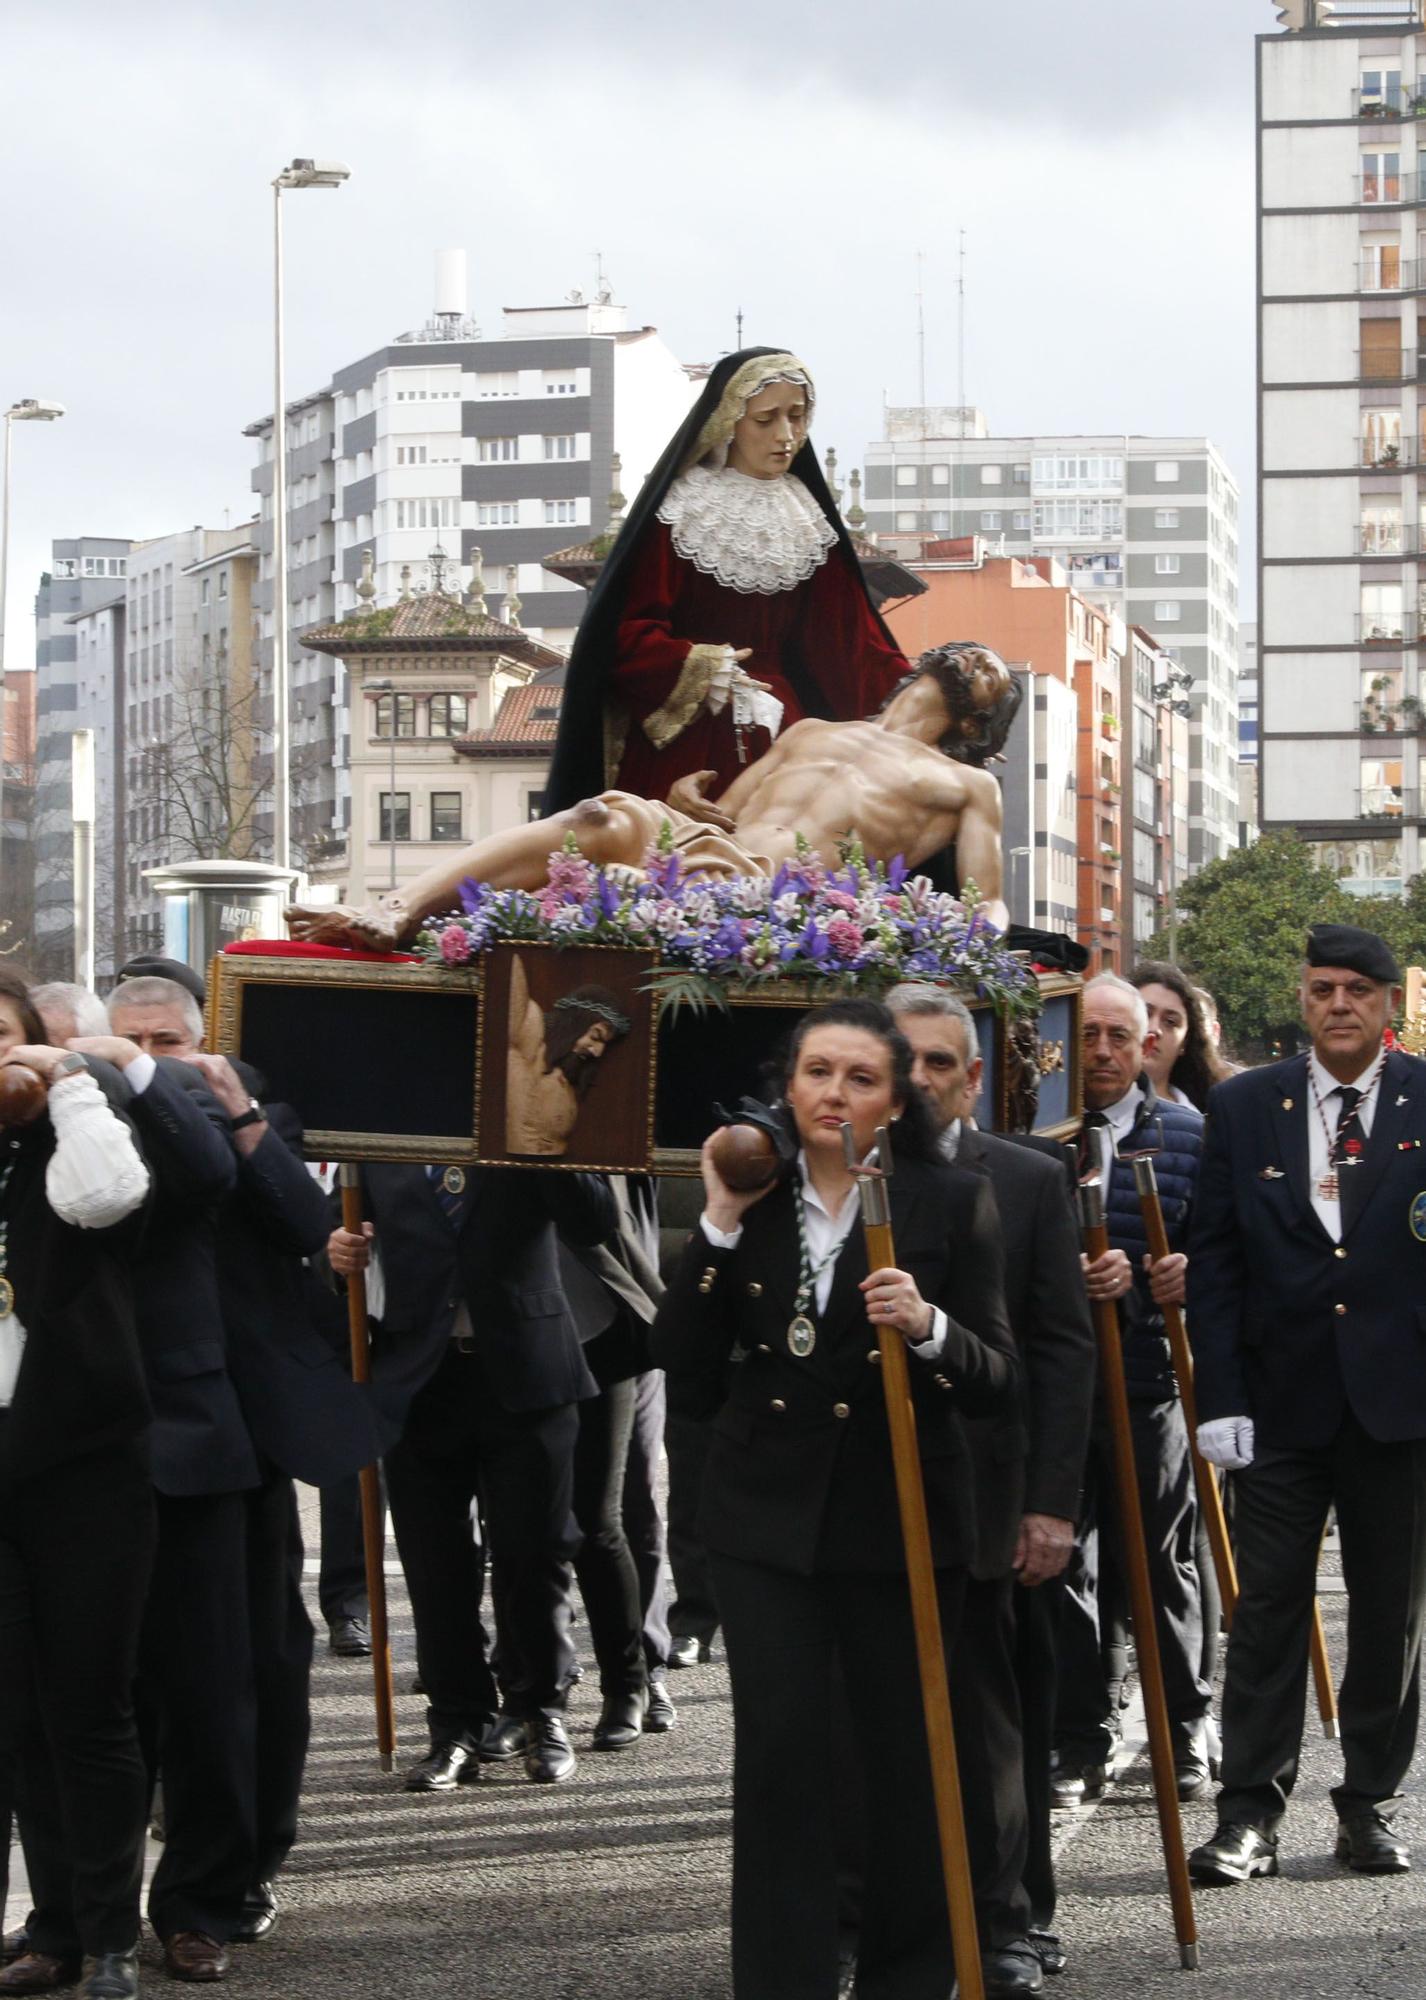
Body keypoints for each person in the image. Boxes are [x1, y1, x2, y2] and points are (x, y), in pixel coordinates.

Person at [649, 999, 1020, 2000]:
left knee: (904, 1752)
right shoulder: (751, 1193)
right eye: (818, 1071)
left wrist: (930, 1323)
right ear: (789, 1083)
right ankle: (783, 1978)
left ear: (898, 1100)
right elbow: (678, 1359)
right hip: (765, 1519)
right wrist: (717, 1223)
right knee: (780, 1754)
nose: (834, 1094)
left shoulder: (950, 1202)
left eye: (861, 1077)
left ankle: (908, 1972)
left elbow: (997, 1374)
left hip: (899, 1518)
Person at [1187, 923, 1426, 1886]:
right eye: (1322, 989)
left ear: (1389, 1006)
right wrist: (1219, 1395)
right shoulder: (1246, 1106)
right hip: (1278, 1408)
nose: (1339, 1005)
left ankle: (1367, 1805)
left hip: (1400, 1409)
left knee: (1388, 1620)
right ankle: (1249, 1815)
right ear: (1303, 999)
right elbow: (1215, 1263)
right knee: (1270, 1612)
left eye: (1358, 991)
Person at [286, 642, 1022, 950]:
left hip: (775, 896)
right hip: (713, 852)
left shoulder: (967, 783)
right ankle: (393, 910)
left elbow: (985, 899)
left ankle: (433, 921)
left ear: (978, 720)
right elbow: (722, 813)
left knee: (614, 883)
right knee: (596, 813)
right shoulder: (812, 730)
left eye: (993, 671)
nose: (977, 656)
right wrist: (680, 793)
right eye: (968, 650)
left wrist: (979, 935)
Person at [886, 985, 1095, 1998]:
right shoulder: (829, 1172)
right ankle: (867, 1915)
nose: (918, 1079)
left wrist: (1052, 1503)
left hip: (991, 1498)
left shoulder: (1025, 1178)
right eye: (904, 1059)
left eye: (939, 1061)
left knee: (994, 1725)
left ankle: (1010, 1919)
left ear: (974, 1075)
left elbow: (1061, 1351)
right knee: (866, 1722)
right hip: (863, 1497)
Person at [327, 1163, 614, 1788]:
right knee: (435, 1563)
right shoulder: (385, 1133)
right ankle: (456, 1723)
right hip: (421, 1375)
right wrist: (339, 1249)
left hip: (528, 1367)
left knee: (534, 1551)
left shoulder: (522, 1119)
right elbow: (339, 1222)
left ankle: (539, 1708)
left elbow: (596, 1218)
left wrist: (540, 1144)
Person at [542, 347, 909, 814]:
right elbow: (624, 634)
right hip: (690, 739)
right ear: (729, 421)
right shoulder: (681, 510)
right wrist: (702, 668)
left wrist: (929, 702)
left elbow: (852, 644)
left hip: (786, 736)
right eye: (766, 420)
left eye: (797, 417)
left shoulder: (808, 520)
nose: (786, 435)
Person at [0, 972, 152, 2000]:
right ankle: (48, 1925)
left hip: (84, 1455)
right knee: (12, 1711)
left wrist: (65, 1077)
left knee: (89, 1706)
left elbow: (106, 1193)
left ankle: (105, 1934)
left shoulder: (72, 1131)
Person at [1053, 974, 1215, 1806]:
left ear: (1149, 1041)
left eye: (1121, 1036)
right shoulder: (1038, 1134)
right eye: (1089, 1036)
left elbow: (1217, 1258)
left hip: (1149, 1383)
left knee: (1161, 1560)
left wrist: (1160, 1279)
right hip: (1056, 1389)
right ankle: (1081, 1734)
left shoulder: (1188, 1137)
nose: (1105, 1053)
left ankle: (1185, 1726)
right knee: (1062, 1566)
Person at [504, 956, 631, 1157]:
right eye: (595, 1035)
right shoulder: (531, 1034)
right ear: (576, 1022)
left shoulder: (568, 1071)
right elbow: (512, 967)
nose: (597, 1051)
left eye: (603, 1044)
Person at [1129, 960, 1231, 1112]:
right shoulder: (1086, 1110)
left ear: (1185, 1042)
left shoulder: (1203, 1125)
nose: (1154, 1029)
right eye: (1144, 1013)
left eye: (1170, 1022)